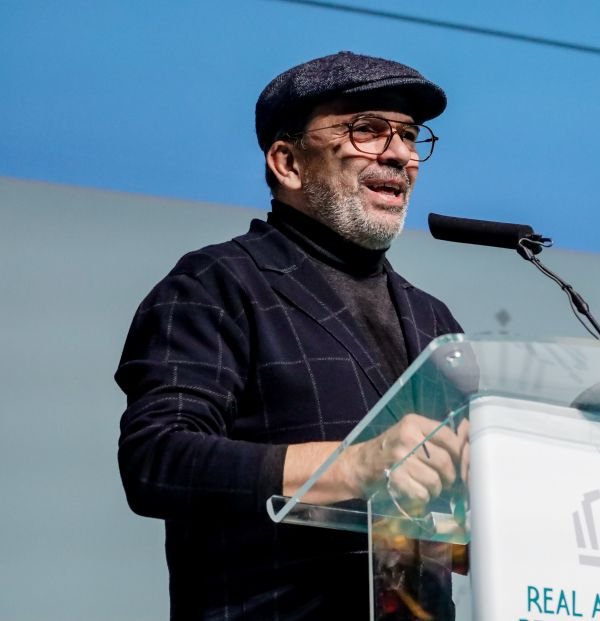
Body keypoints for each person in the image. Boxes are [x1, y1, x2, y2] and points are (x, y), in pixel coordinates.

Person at [116, 51, 466, 620]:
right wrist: (352, 466)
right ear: (287, 162)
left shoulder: (435, 322)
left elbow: (445, 519)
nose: (400, 154)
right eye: (368, 130)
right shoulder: (216, 284)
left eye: (408, 135)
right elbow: (156, 459)